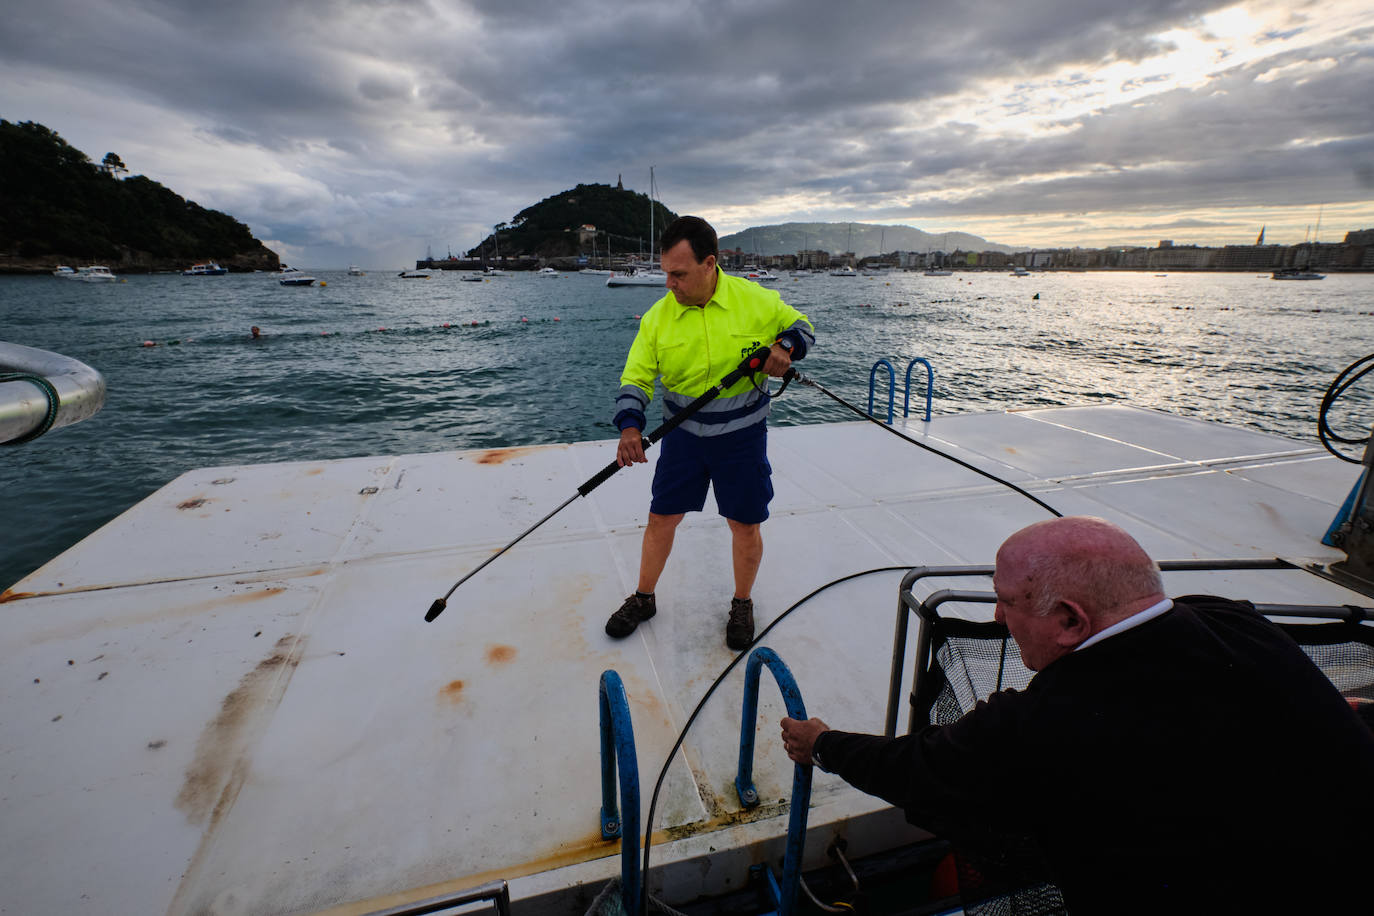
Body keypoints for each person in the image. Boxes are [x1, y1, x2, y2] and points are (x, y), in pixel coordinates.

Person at [780, 516, 1374, 913]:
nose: (996, 620)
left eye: (1005, 603)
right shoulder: (1232, 619)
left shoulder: (1039, 725)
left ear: (1071, 620)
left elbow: (913, 769)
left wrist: (821, 742)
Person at [605, 216, 814, 650]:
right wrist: (629, 427)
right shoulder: (658, 318)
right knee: (662, 517)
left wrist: (784, 348)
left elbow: (802, 327)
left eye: (678, 274)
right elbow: (636, 378)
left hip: (742, 438)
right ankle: (644, 597)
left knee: (744, 523)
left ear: (710, 264)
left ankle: (742, 602)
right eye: (665, 272)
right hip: (683, 437)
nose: (669, 284)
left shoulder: (756, 300)